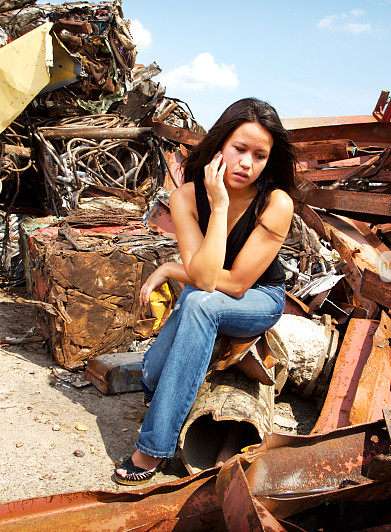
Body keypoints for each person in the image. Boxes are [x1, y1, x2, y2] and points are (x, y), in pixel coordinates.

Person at [113, 98, 296, 485]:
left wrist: (169, 268)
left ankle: (152, 448)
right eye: (239, 149)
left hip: (260, 298)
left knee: (199, 302)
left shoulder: (276, 203)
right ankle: (154, 380)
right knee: (197, 299)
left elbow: (230, 283)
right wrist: (218, 205)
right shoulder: (185, 197)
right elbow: (205, 274)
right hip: (208, 292)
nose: (247, 163)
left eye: (259, 155)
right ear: (219, 147)